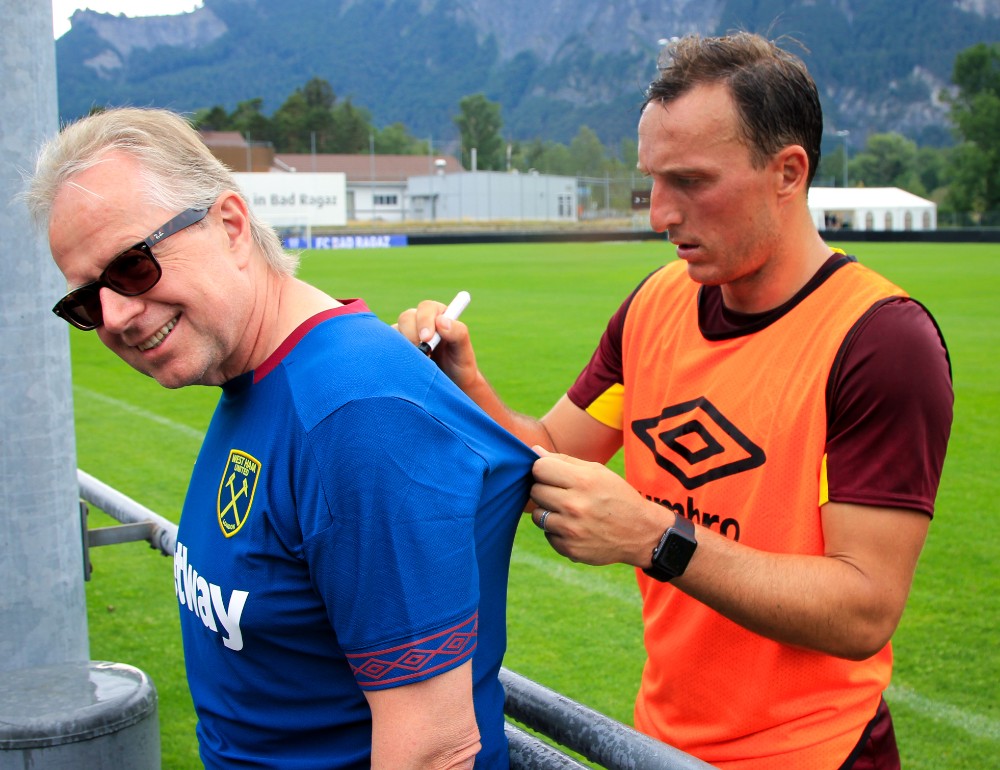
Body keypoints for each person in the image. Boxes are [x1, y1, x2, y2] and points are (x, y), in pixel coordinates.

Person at [397, 32, 953, 769]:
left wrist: (656, 538)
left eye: (690, 181)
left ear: (788, 172)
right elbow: (553, 456)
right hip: (656, 744)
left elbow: (863, 608)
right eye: (653, 179)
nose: (660, 212)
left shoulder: (880, 342)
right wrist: (466, 384)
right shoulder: (659, 302)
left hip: (816, 754)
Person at [26, 107, 536, 770]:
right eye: (86, 302)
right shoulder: (258, 374)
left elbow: (435, 748)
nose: (115, 316)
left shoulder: (356, 410)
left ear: (231, 227)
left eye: (132, 267)